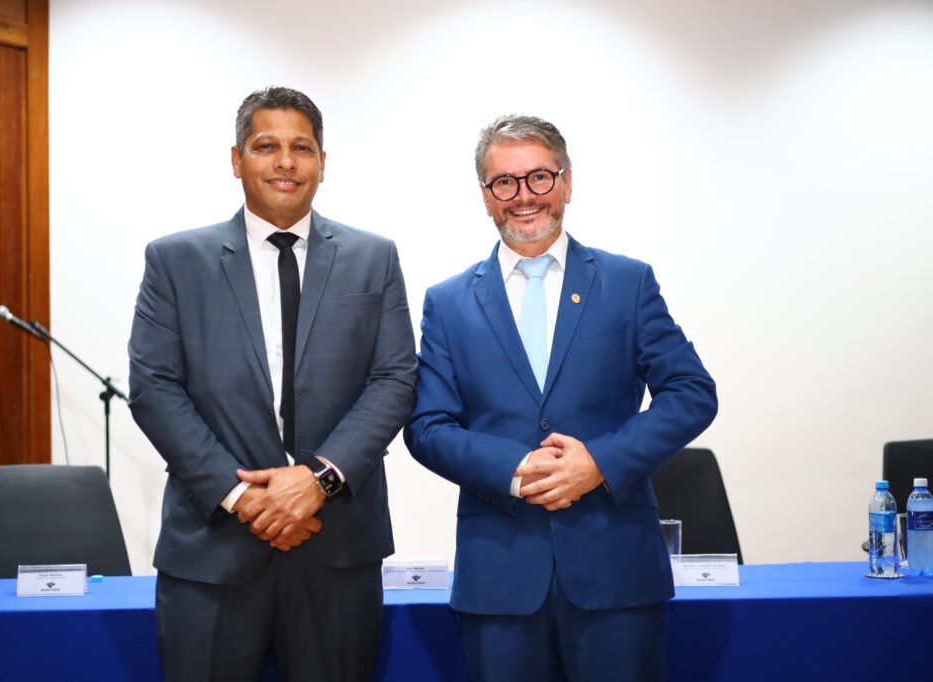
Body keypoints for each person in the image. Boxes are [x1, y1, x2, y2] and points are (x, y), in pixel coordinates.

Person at [404, 114, 717, 681]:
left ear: (567, 184)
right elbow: (427, 427)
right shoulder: (447, 302)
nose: (523, 196)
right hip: (499, 577)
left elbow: (691, 392)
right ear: (485, 196)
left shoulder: (627, 281)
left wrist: (599, 462)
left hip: (616, 570)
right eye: (505, 182)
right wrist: (516, 467)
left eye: (540, 177)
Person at [128, 86, 417, 682]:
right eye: (266, 146)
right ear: (237, 159)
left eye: (301, 148)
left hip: (336, 549)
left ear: (322, 163)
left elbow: (395, 378)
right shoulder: (175, 261)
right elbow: (154, 387)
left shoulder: (374, 258)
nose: (285, 162)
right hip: (213, 550)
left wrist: (318, 481)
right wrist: (245, 499)